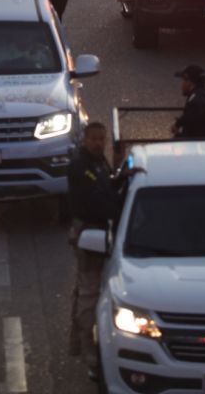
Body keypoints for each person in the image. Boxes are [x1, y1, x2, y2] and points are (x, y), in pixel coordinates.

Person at [67, 122, 119, 378]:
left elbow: (107, 188)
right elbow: (98, 198)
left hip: (99, 231)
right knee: (88, 294)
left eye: (102, 139)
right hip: (87, 233)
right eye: (95, 139)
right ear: (85, 140)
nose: (99, 143)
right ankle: (90, 355)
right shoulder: (81, 166)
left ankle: (81, 343)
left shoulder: (99, 163)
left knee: (85, 292)